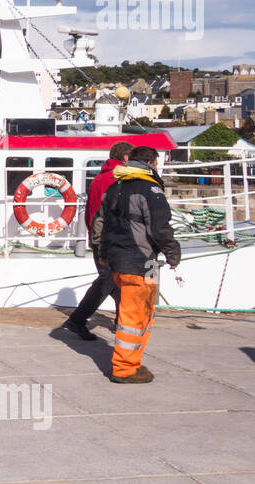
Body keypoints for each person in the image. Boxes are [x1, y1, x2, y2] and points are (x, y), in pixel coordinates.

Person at [98, 145, 181, 384]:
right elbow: (160, 228)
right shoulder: (151, 190)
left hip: (118, 260)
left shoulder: (114, 188)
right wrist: (173, 254)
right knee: (135, 316)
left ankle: (133, 360)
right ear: (152, 163)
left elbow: (100, 224)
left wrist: (104, 254)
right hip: (141, 262)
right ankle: (125, 369)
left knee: (144, 312)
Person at [61, 141, 133, 341]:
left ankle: (122, 321)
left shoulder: (98, 179)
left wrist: (94, 236)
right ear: (126, 159)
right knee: (107, 281)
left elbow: (92, 213)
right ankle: (77, 319)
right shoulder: (118, 180)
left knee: (115, 283)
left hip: (98, 237)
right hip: (112, 240)